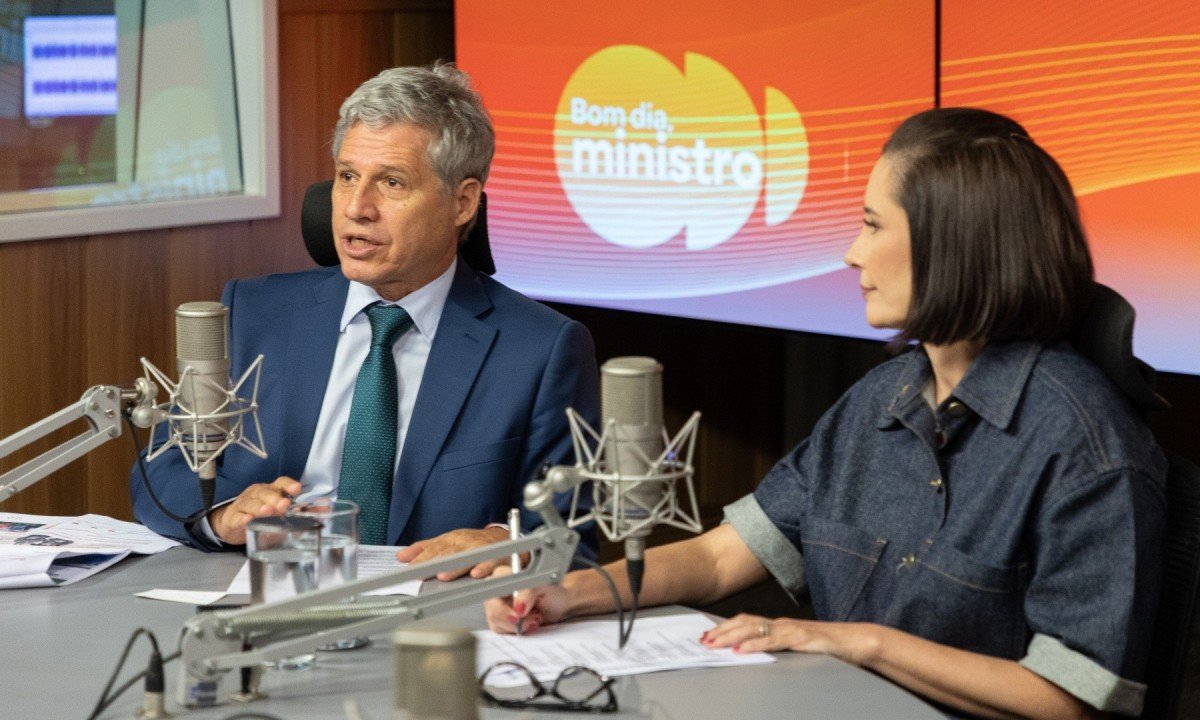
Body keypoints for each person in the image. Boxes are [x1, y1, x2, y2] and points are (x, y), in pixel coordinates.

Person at [486, 108, 1166, 720]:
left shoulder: (1087, 445)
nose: (852, 252)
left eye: (873, 225)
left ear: (952, 245)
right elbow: (721, 559)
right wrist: (571, 593)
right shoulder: (879, 399)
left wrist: (860, 643)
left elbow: (1069, 697)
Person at [132, 63, 599, 577]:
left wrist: (503, 544)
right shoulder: (256, 313)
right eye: (347, 176)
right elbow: (162, 470)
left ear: (463, 202)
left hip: (433, 605)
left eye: (391, 183)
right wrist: (222, 516)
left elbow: (572, 539)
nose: (357, 208)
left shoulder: (539, 350)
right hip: (259, 590)